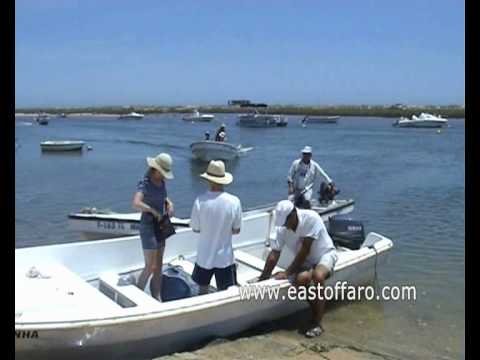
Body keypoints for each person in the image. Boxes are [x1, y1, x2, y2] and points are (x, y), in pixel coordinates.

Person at [259, 200, 337, 338]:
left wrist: (287, 272)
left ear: (294, 213)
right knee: (301, 280)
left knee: (318, 276)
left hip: (324, 254)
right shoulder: (282, 228)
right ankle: (316, 311)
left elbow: (305, 250)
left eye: (287, 222)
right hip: (306, 262)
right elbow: (274, 254)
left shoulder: (311, 218)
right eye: (283, 223)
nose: (286, 226)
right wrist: (263, 279)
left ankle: (317, 322)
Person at [190, 160, 242, 294]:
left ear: (208, 179)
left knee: (202, 290)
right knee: (225, 292)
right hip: (224, 258)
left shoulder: (199, 200)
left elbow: (195, 228)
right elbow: (236, 230)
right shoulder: (234, 202)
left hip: (204, 255)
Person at [132, 153, 175, 301]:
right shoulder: (145, 183)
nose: (164, 175)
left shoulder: (161, 182)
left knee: (159, 266)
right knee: (150, 266)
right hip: (148, 225)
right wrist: (152, 210)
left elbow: (162, 197)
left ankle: (157, 297)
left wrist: (169, 203)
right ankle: (136, 295)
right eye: (162, 172)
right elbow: (136, 203)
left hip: (160, 224)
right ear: (155, 169)